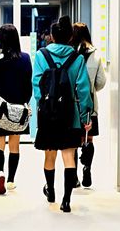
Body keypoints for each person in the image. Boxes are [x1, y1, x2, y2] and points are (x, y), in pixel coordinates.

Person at [32, 16, 93, 213]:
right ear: (69, 38)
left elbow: (36, 85)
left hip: (48, 115)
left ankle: (50, 190)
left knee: (49, 157)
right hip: (70, 115)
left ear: (51, 36)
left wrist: (43, 104)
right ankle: (66, 200)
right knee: (69, 158)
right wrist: (86, 117)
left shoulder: (41, 55)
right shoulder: (78, 58)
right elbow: (83, 90)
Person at [0, 24, 32, 195]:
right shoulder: (25, 58)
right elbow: (28, 86)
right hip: (18, 107)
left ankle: (0, 172)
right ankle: (11, 180)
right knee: (14, 145)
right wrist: (25, 102)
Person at [72, 22, 106, 187]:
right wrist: (91, 88)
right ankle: (87, 168)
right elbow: (101, 82)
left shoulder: (70, 55)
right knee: (89, 139)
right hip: (90, 106)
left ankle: (74, 177)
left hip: (72, 105)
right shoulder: (96, 56)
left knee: (73, 141)